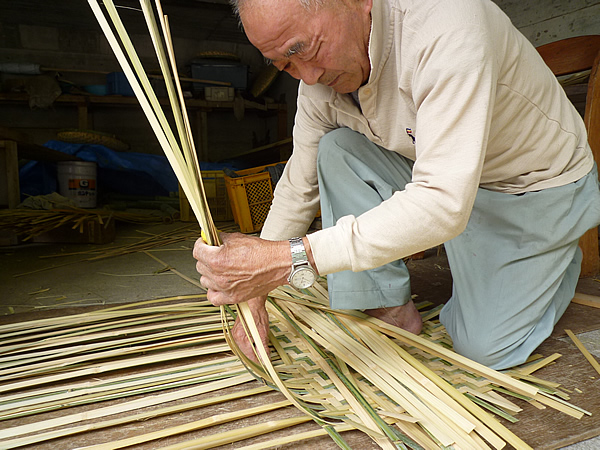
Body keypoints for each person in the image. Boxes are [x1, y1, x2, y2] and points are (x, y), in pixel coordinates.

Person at [193, 0, 600, 370]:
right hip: (445, 180)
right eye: (284, 65)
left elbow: (442, 203)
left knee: (485, 350)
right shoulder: (316, 83)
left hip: (530, 189)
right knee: (336, 150)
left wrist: (290, 258)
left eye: (306, 51)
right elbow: (300, 184)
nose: (309, 76)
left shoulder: (447, 22)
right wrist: (254, 292)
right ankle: (386, 304)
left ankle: (555, 255)